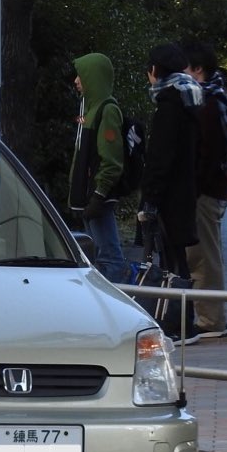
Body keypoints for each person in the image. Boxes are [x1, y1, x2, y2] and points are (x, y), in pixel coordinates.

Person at [138, 42, 203, 345]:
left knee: (170, 263)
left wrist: (150, 197)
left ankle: (177, 324)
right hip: (186, 191)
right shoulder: (191, 99)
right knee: (178, 260)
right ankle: (183, 321)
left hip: (168, 196)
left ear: (154, 70)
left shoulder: (168, 106)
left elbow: (160, 159)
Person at [182, 41, 227, 339]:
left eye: (183, 68)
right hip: (213, 188)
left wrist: (195, 185)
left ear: (197, 69)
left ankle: (211, 321)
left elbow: (210, 152)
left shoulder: (206, 101)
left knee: (204, 256)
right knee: (204, 255)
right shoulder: (216, 96)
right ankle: (209, 318)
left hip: (205, 191)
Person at [66, 52, 129, 284]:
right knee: (96, 255)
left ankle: (114, 305)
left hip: (97, 197)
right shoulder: (88, 110)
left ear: (93, 77)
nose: (76, 81)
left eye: (81, 75)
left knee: (109, 257)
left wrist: (99, 194)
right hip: (88, 196)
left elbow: (111, 158)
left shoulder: (107, 110)